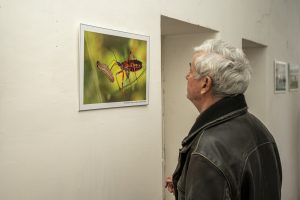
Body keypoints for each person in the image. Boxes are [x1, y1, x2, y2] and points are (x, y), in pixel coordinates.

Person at [165, 39, 282, 200]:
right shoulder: (259, 128)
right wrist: (186, 182)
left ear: (205, 84)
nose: (187, 76)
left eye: (190, 70)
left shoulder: (207, 151)